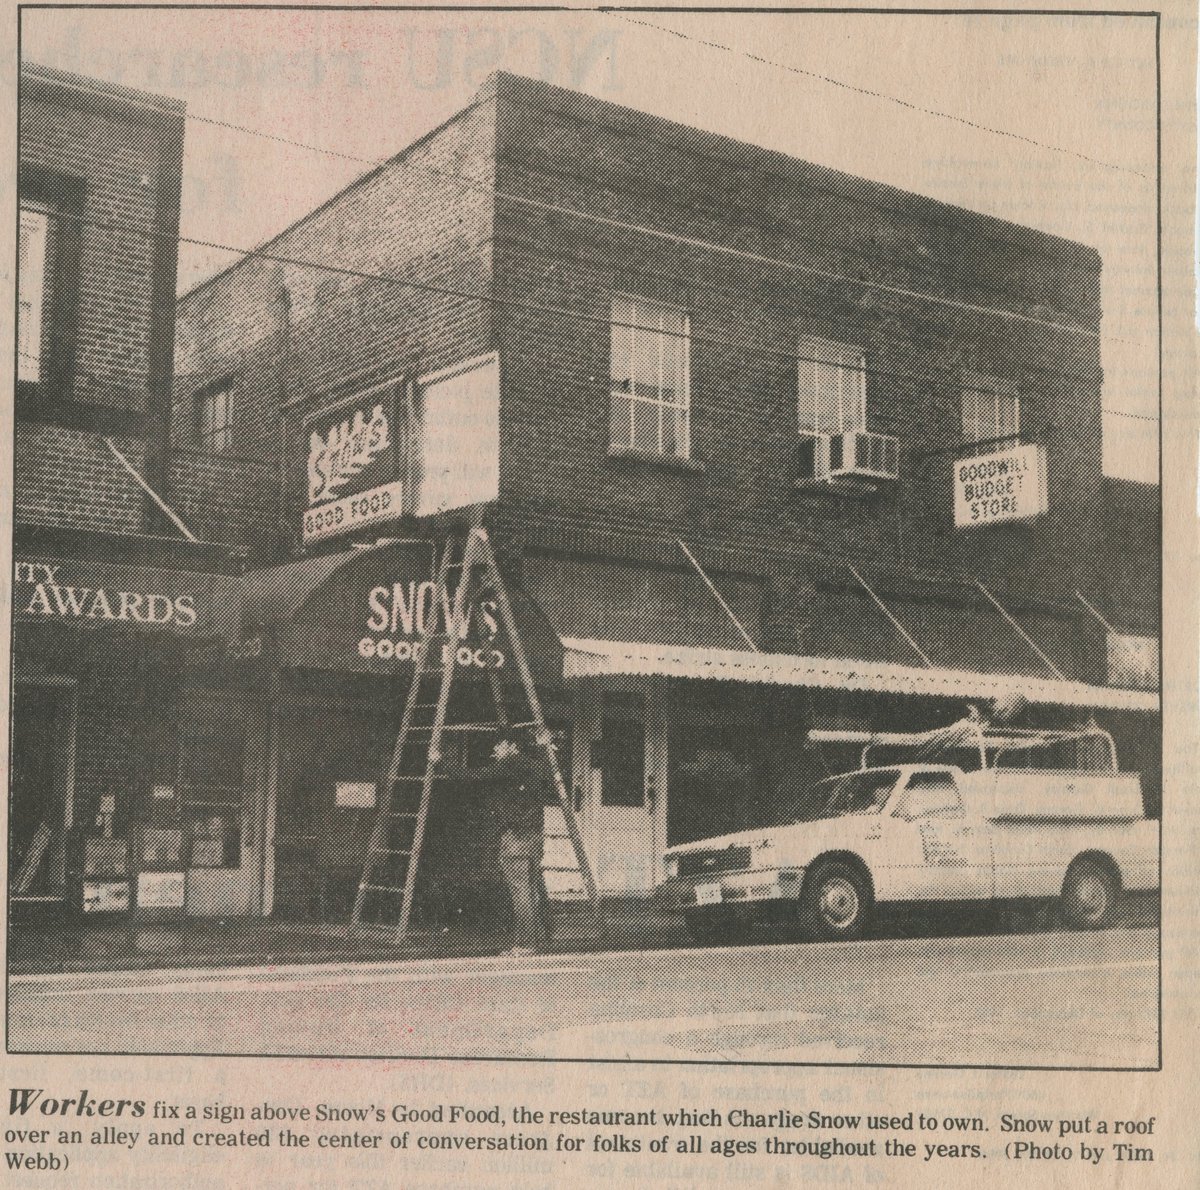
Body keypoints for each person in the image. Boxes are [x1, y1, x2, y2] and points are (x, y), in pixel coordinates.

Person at [487, 732, 551, 956]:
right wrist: (544, 747)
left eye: (500, 744)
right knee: (530, 890)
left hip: (515, 837)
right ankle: (532, 942)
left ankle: (524, 944)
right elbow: (547, 773)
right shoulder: (534, 766)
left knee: (519, 891)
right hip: (535, 835)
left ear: (512, 746)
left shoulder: (507, 765)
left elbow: (476, 775)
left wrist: (440, 763)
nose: (495, 748)